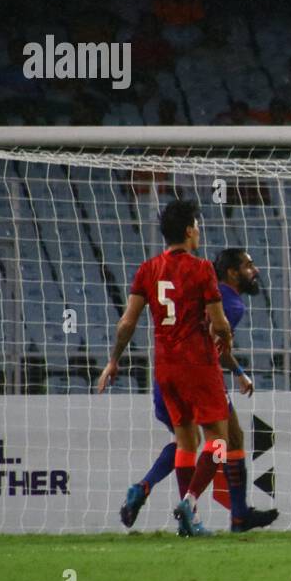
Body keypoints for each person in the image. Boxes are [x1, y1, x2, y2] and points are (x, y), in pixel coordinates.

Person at [97, 199, 236, 537]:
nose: (199, 232)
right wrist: (227, 339)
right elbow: (219, 323)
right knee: (219, 439)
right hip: (198, 364)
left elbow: (127, 322)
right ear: (189, 231)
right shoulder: (202, 269)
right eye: (197, 226)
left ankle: (190, 523)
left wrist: (114, 360)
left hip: (165, 368)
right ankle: (189, 502)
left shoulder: (148, 270)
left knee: (186, 442)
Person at [119, 247, 277, 533]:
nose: (255, 272)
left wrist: (238, 372)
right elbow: (214, 340)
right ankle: (214, 513)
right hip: (198, 376)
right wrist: (238, 372)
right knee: (223, 439)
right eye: (249, 266)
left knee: (188, 442)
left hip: (166, 375)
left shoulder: (178, 280)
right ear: (232, 272)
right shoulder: (229, 304)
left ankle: (145, 487)